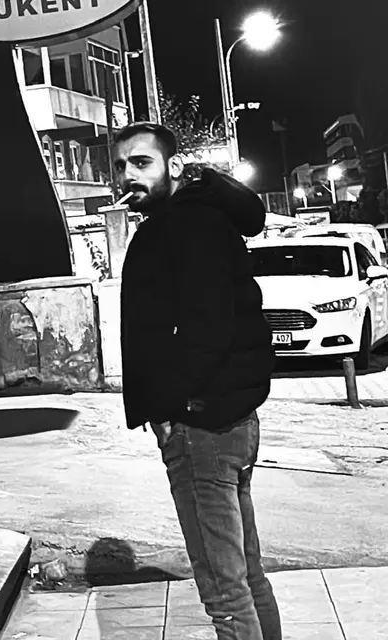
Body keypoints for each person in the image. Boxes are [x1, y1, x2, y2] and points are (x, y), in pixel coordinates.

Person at [113, 121, 282, 640]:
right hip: (228, 418)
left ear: (174, 167)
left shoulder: (184, 225)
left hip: (201, 426)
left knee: (223, 590)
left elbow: (208, 327)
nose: (128, 175)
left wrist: (171, 405)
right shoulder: (196, 219)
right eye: (121, 165)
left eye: (142, 162)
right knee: (245, 574)